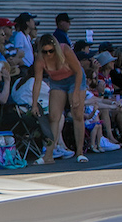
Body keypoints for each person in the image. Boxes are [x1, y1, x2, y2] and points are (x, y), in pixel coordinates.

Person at [32, 33, 86, 164]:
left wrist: (75, 94)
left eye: (51, 51)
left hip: (75, 79)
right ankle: (48, 155)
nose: (48, 54)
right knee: (54, 117)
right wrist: (34, 104)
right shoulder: (40, 59)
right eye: (45, 51)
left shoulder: (65, 50)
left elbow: (78, 71)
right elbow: (38, 81)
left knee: (77, 114)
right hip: (57, 82)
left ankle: (80, 152)